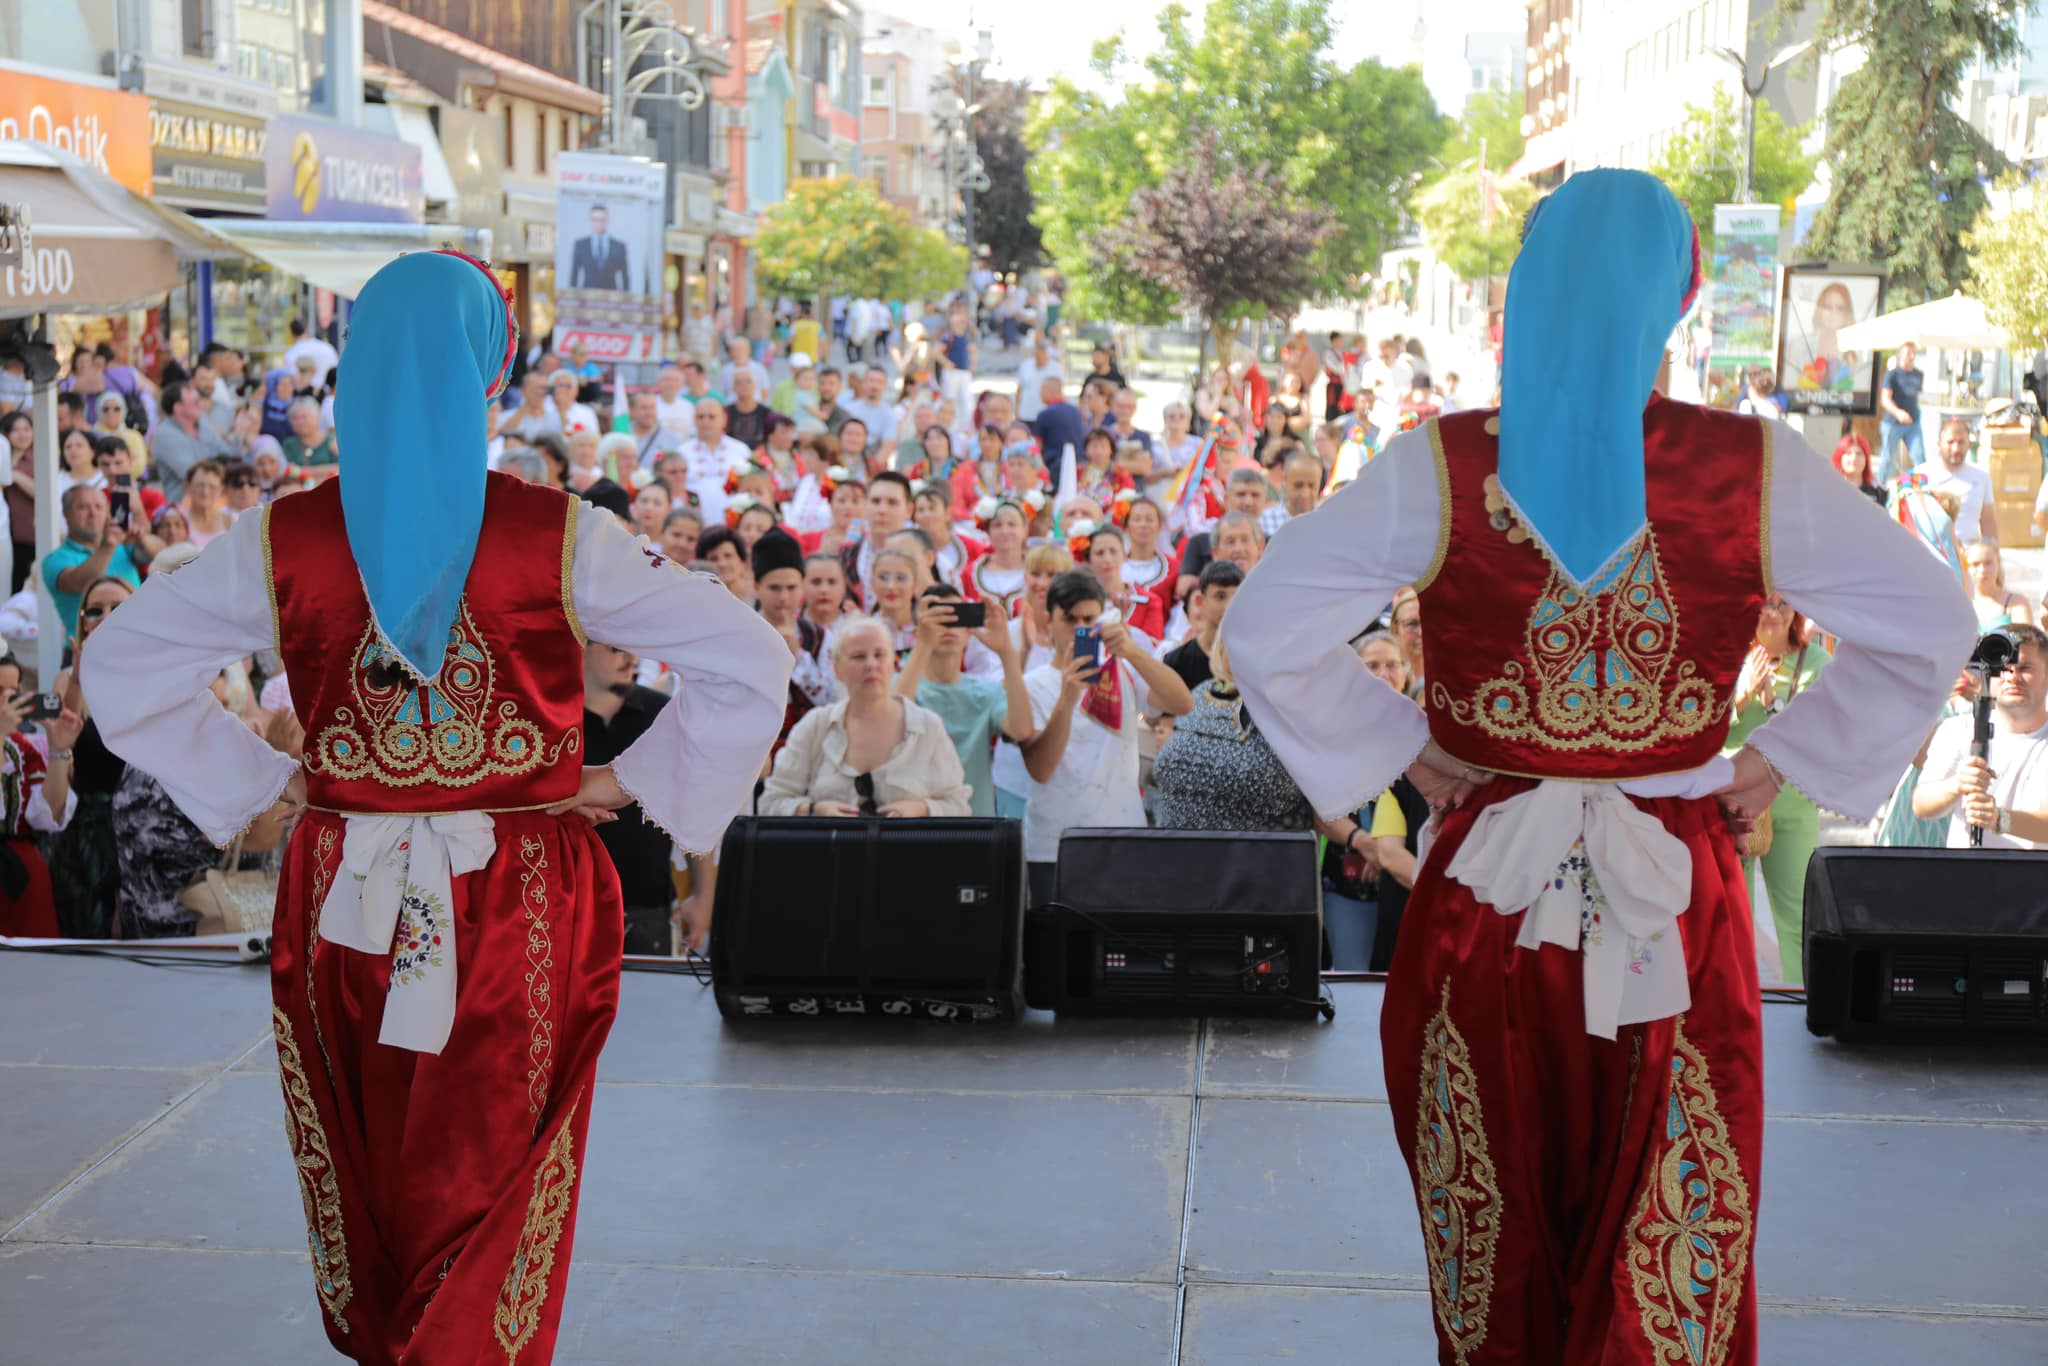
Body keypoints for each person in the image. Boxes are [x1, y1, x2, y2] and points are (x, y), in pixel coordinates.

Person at [1224, 170, 1972, 1366]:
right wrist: (1776, 759)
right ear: (1672, 302)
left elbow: (1259, 629)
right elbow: (1933, 621)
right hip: (1673, 903)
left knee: (1496, 1239)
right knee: (1671, 1243)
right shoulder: (1752, 469)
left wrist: (1401, 744)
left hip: (1482, 903)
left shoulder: (1440, 466)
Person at [80, 251, 791, 1362]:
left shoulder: (283, 541)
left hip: (337, 891)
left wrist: (269, 782)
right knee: (494, 1178)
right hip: (512, 895)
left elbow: (121, 662)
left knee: (372, 1163)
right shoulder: (560, 535)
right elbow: (750, 658)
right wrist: (622, 781)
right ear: (485, 378)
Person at [1020, 569, 1195, 903]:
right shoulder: (1033, 684)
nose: (1078, 629)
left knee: (1120, 951)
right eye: (1068, 619)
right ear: (1049, 620)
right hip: (1054, 844)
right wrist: (1068, 697)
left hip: (1122, 835)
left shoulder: (1124, 668)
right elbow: (1040, 768)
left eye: (1089, 619)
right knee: (1056, 953)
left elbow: (1182, 703)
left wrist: (1132, 651)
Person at [760, 616, 973, 817]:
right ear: (837, 669)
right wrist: (813, 810)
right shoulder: (815, 726)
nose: (871, 665)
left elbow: (958, 804)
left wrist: (921, 808)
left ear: (893, 663)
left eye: (880, 655)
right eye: (858, 657)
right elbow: (771, 802)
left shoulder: (928, 726)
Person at [580, 640, 715, 955]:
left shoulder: (664, 713)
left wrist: (704, 897)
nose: (630, 657)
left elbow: (693, 807)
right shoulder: (553, 720)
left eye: (632, 645)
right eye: (615, 648)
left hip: (648, 910)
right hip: (569, 907)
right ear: (580, 649)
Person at [1723, 596, 1829, 985]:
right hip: (1733, 808)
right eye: (1764, 602)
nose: (1772, 612)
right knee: (1735, 917)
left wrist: (1773, 708)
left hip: (1791, 806)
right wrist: (1740, 697)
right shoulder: (1726, 655)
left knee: (1800, 916)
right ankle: (1739, 1011)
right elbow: (1697, 729)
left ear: (1798, 609)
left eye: (1783, 603)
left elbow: (1824, 735)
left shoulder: (1816, 664)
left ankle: (1804, 1002)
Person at [1150, 629, 1313, 833]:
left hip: (1252, 855)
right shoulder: (1201, 692)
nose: (1239, 652)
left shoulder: (1288, 707)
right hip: (1172, 850)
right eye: (1233, 642)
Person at [895, 584, 1034, 816]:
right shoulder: (902, 687)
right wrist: (924, 644)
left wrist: (1007, 652)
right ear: (919, 629)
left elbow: (1022, 731)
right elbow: (893, 724)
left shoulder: (985, 693)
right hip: (914, 824)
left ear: (969, 630)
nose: (949, 627)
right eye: (939, 617)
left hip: (976, 826)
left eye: (957, 617)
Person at [47, 579, 134, 937]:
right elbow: (60, 764)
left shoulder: (159, 674)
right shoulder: (65, 680)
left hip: (145, 835)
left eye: (118, 607)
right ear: (83, 622)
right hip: (87, 838)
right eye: (94, 610)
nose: (105, 617)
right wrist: (78, 682)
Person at [1914, 624, 2048, 849]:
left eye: (2025, 667)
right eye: (2003, 667)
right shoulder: (1957, 730)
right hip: (1968, 875)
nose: (2012, 677)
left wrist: (2000, 819)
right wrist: (1957, 785)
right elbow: (1921, 805)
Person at [44, 486, 150, 642]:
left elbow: (159, 552)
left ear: (107, 512)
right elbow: (79, 582)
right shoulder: (55, 559)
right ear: (66, 514)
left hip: (135, 644)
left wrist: (142, 537)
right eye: (82, 508)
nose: (92, 514)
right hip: (83, 651)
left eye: (98, 507)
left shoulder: (123, 547)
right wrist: (109, 546)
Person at [1911, 416, 1997, 548]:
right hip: (1932, 552)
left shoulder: (1982, 477)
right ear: (1939, 444)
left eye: (1961, 442)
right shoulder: (1921, 475)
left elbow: (1988, 521)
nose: (1956, 448)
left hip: (1968, 554)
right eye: (1950, 442)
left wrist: (1993, 552)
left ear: (1969, 444)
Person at [1164, 560, 1244, 690]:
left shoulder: (1254, 659)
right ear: (1201, 601)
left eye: (1236, 597)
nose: (1229, 605)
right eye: (1220, 596)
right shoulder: (1177, 662)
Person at [149, 380, 234, 503]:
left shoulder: (203, 424)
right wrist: (217, 461)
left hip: (215, 498)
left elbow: (228, 456)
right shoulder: (164, 435)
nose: (202, 405)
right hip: (181, 506)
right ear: (178, 408)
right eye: (196, 402)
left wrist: (241, 435)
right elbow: (193, 474)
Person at [679, 397, 752, 525]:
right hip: (693, 522)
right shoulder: (682, 452)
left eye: (712, 417)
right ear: (694, 420)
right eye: (700, 417)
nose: (706, 421)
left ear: (724, 419)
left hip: (733, 522)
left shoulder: (741, 450)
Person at [1879, 340, 1926, 482]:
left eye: (1914, 353)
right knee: (1888, 459)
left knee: (1919, 457)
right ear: (1901, 354)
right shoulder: (1892, 375)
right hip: (1892, 423)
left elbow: (1916, 396)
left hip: (1912, 424)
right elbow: (1885, 399)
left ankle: (1924, 487)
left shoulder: (1918, 374)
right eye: (1908, 353)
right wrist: (1898, 413)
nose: (1911, 356)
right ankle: (1879, 487)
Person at [1964, 541, 2032, 629]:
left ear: (1998, 564)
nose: (1982, 570)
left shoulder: (2017, 602)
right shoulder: (1961, 603)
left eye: (1988, 563)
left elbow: (2026, 639)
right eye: (1975, 564)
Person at [569, 203, 632, 290]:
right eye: (595, 219)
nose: (598, 223)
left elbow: (625, 278)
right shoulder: (581, 245)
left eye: (602, 219)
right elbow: (574, 276)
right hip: (587, 296)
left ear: (607, 221)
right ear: (591, 220)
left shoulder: (619, 246)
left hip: (611, 297)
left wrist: (625, 301)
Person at [178, 458, 235, 550]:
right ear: (188, 487)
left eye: (212, 487)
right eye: (200, 485)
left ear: (221, 490)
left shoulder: (232, 521)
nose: (205, 492)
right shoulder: (177, 520)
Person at [625, 390, 682, 469]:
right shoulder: (621, 435)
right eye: (644, 408)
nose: (649, 413)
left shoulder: (672, 440)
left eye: (652, 407)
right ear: (631, 410)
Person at [697, 524, 754, 602]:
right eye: (714, 559)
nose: (722, 564)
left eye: (728, 556)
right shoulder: (699, 599)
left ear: (742, 561)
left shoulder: (759, 596)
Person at [1014, 332, 1063, 423]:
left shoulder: (1055, 368)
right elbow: (1019, 389)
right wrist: (1016, 412)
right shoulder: (1026, 365)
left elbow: (1060, 391)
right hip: (1026, 413)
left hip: (1046, 413)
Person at [1831, 433, 1886, 505]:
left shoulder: (1878, 493)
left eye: (1859, 454)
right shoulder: (1830, 490)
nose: (1854, 458)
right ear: (1839, 458)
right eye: (1848, 453)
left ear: (1866, 459)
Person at [283, 317, 341, 382]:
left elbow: (294, 379)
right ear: (307, 330)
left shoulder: (290, 354)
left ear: (292, 335)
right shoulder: (327, 347)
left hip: (305, 391)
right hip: (330, 389)